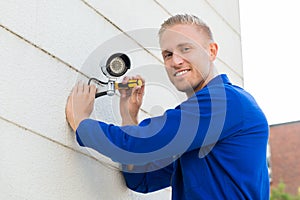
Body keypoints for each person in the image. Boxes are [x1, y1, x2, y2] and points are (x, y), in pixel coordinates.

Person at [66, 14, 270, 199]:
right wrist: (128, 116)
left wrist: (82, 123)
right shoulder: (200, 134)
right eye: (168, 54)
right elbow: (141, 179)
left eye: (186, 49)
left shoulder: (226, 102)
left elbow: (140, 143)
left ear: (211, 51)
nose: (176, 61)